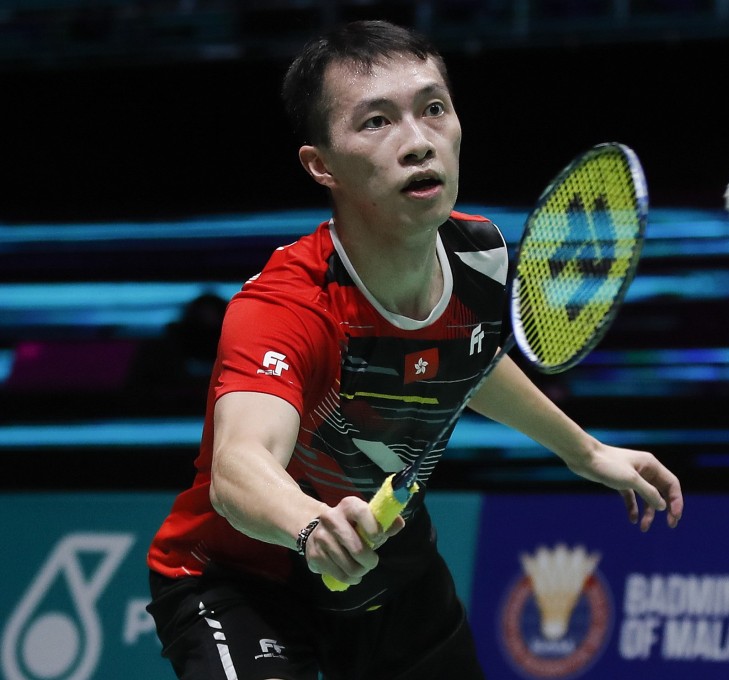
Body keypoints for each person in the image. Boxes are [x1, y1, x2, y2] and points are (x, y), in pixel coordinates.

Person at [146, 19, 683, 680]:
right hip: (245, 578)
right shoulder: (288, 305)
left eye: (433, 109)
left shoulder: (480, 256)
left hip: (391, 569)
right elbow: (239, 466)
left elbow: (473, 360)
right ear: (322, 165)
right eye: (376, 122)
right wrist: (312, 525)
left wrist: (586, 450)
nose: (418, 142)